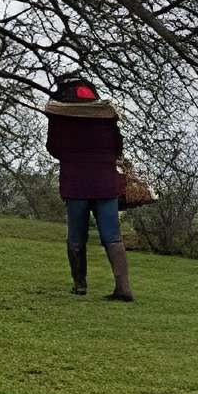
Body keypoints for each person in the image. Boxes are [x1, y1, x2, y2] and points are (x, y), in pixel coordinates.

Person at [42, 75, 131, 301]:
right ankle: (123, 287)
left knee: (76, 237)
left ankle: (80, 285)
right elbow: (117, 147)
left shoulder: (60, 117)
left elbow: (53, 148)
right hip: (105, 183)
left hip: (76, 183)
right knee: (112, 236)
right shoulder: (106, 117)